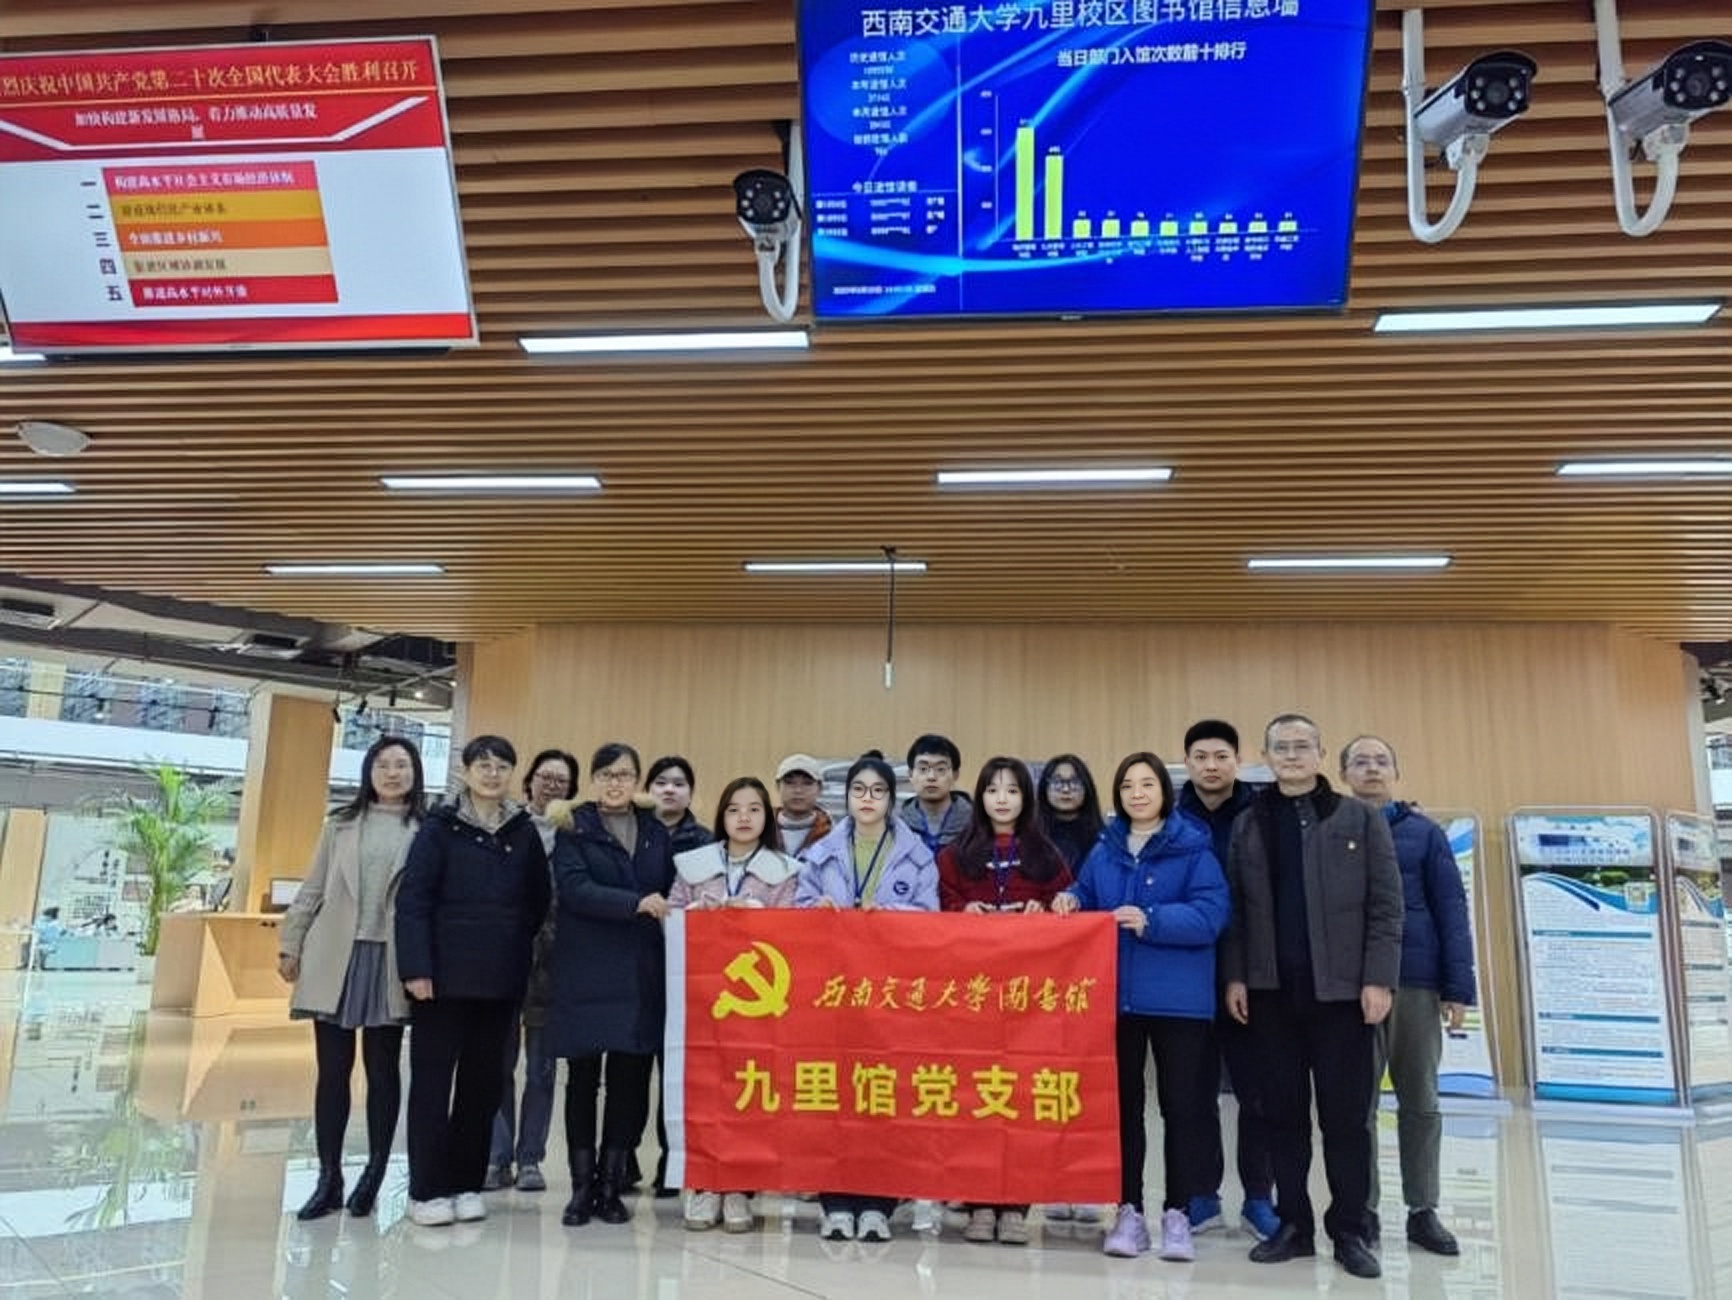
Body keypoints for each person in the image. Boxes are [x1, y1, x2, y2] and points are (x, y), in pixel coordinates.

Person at [1221, 714, 1403, 1280]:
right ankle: (1294, 1224)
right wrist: (1236, 976)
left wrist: (1379, 979)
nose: (1293, 755)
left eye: (1303, 746)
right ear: (1267, 757)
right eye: (1282, 747)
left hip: (1344, 995)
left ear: (1322, 755)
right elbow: (1236, 910)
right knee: (1282, 1116)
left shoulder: (1358, 818)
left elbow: (1386, 906)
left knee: (1346, 1120)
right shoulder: (1250, 822)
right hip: (1271, 994)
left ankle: (1350, 1229)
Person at [1053, 752, 1229, 1264]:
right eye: (1127, 785)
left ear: (1163, 793)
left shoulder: (1193, 848)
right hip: (1117, 1000)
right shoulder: (1105, 849)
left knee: (1182, 1109)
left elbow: (1212, 915)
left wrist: (1152, 919)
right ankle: (1127, 1210)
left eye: (1147, 784)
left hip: (1179, 1002)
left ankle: (1178, 1213)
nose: (1137, 793)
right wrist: (1069, 898)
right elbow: (1086, 893)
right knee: (1122, 1111)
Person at [395, 736, 552, 1228]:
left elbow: (537, 900)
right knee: (432, 1083)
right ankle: (425, 1190)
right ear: (466, 771)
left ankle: (465, 1183)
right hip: (440, 978)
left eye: (502, 766)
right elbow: (413, 900)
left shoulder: (523, 831)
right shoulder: (439, 827)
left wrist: (511, 941)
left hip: (500, 977)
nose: (492, 773)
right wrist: (416, 968)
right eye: (483, 765)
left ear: (512, 774)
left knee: (482, 1086)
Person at [278, 735, 427, 1221]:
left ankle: (374, 1173)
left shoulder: (427, 830)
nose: (392, 773)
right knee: (332, 1072)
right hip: (334, 954)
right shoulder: (340, 824)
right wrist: (291, 942)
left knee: (383, 1072)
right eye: (383, 764)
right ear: (368, 772)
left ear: (415, 773)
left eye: (401, 765)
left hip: (391, 959)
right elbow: (313, 887)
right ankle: (329, 1178)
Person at [1339, 734, 1476, 1258]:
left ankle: (1423, 1210)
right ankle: (1364, 1209)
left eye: (1381, 761)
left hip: (1416, 981)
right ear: (1344, 774)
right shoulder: (1333, 830)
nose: (1372, 769)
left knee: (1420, 1100)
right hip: (1351, 987)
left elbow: (1452, 911)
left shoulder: (1424, 834)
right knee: (1357, 1105)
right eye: (1360, 762)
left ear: (1395, 772)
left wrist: (1457, 987)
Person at [797, 750, 939, 1242]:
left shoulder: (917, 854)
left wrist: (890, 915)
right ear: (848, 797)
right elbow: (797, 910)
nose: (867, 799)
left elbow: (931, 916)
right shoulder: (820, 852)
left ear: (891, 800)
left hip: (891, 994)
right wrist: (815, 909)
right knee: (835, 1096)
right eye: (859, 790)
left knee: (883, 1094)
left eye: (878, 791)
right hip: (834, 993)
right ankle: (835, 1201)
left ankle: (880, 1202)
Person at [937, 756, 1072, 1246]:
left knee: (1020, 1099)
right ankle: (978, 1201)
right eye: (993, 790)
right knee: (974, 1098)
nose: (1002, 799)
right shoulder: (955, 855)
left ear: (1026, 799)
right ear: (980, 797)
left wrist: (1046, 908)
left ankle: (1016, 1203)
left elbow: (1068, 907)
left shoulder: (1047, 855)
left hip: (1026, 1002)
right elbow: (937, 908)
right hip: (971, 1000)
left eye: (1012, 790)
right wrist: (962, 910)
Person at [544, 742, 676, 1228]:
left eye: (624, 774)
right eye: (606, 775)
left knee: (629, 1082)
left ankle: (611, 1185)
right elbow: (574, 889)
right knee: (582, 1080)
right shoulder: (573, 826)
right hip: (586, 968)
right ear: (593, 780)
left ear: (636, 780)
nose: (615, 783)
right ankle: (581, 1188)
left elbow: (673, 889)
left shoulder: (655, 831)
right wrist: (635, 903)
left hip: (641, 970)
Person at [670, 775, 803, 1233]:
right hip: (703, 999)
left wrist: (754, 915)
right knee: (705, 1089)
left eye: (753, 809)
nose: (743, 818)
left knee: (748, 1093)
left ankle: (740, 1188)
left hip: (759, 1003)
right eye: (733, 809)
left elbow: (794, 930)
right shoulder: (694, 865)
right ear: (721, 816)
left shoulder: (785, 870)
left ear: (767, 817)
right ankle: (704, 1184)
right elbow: (671, 915)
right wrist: (698, 914)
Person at [1176, 719, 1280, 1242]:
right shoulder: (1170, 817)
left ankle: (1259, 1197)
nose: (1211, 766)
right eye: (1201, 757)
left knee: (1256, 1090)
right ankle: (1201, 1194)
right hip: (1187, 970)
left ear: (1238, 760)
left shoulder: (1262, 813)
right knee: (1194, 1091)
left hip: (1254, 971)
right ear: (1187, 763)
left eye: (1221, 756)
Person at [485, 748, 580, 1194]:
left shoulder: (576, 836)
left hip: (555, 964)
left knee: (542, 1069)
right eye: (546, 777)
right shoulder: (507, 827)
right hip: (504, 959)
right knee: (498, 1062)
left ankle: (530, 1159)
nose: (552, 785)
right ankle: (496, 1156)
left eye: (562, 780)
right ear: (529, 782)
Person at [900, 733, 971, 853]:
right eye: (923, 769)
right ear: (910, 774)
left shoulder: (976, 824)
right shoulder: (898, 826)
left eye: (940, 769)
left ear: (955, 775)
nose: (931, 777)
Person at [1036, 754, 1105, 872]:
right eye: (1057, 782)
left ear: (1087, 788)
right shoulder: (1030, 836)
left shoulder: (1104, 839)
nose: (1066, 789)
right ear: (1044, 788)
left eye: (1075, 782)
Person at [647, 755, 715, 856]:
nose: (669, 789)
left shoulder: (706, 842)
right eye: (661, 783)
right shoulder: (634, 834)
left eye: (678, 784)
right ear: (648, 790)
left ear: (690, 794)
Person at [774, 753, 833, 857]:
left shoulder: (833, 835)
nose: (798, 790)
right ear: (778, 786)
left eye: (807, 783)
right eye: (789, 782)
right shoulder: (758, 832)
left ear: (819, 788)